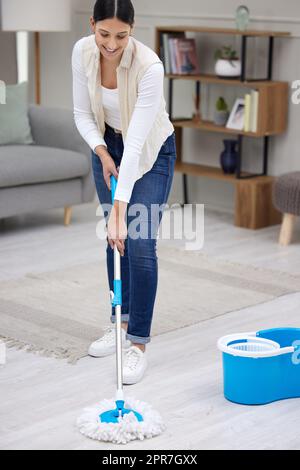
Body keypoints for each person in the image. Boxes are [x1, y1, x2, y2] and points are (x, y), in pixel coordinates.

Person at [72, 0, 176, 385]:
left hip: (149, 152)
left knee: (139, 240)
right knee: (115, 240)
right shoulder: (82, 52)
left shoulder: (150, 67)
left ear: (132, 30)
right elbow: (81, 113)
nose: (111, 44)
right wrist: (100, 151)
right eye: (104, 34)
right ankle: (118, 323)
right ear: (92, 25)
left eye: (121, 35)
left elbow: (135, 146)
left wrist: (121, 207)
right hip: (106, 145)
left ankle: (138, 344)